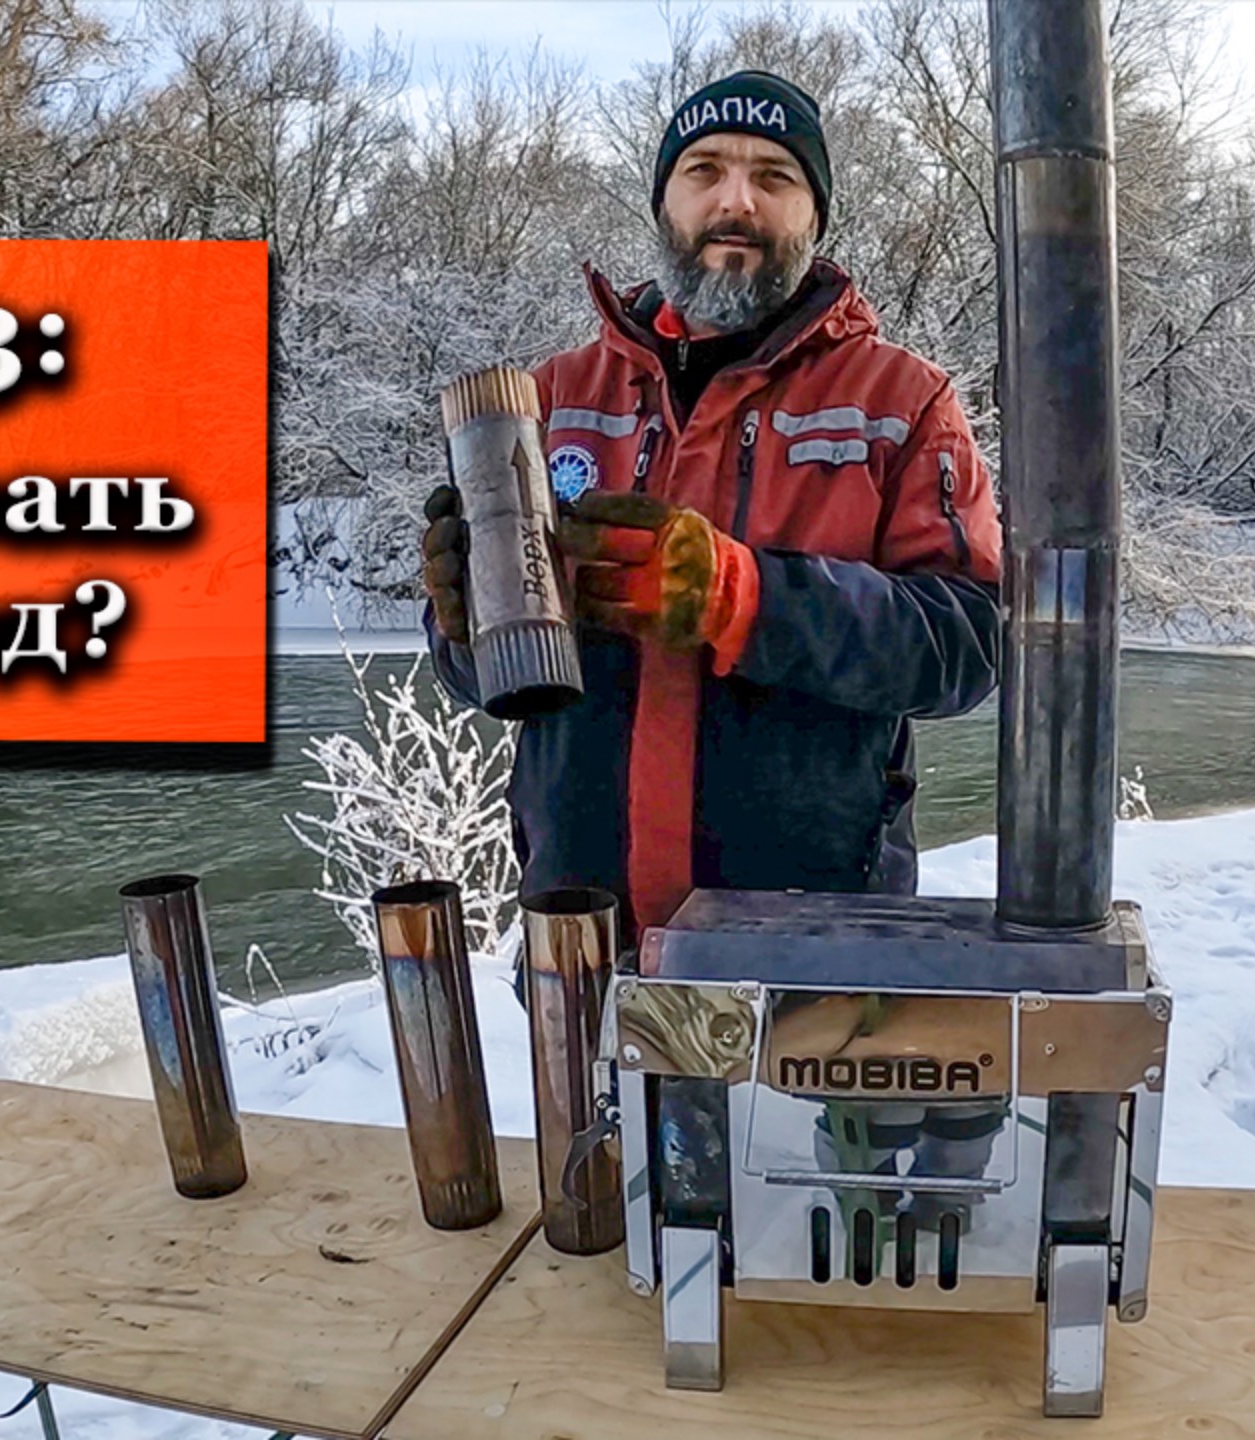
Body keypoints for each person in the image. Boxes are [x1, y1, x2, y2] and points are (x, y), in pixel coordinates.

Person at [420, 69, 1003, 939]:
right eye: (704, 171)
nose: (736, 201)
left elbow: (969, 644)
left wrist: (744, 599)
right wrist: (467, 626)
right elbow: (484, 683)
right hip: (582, 927)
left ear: (815, 215)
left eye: (774, 176)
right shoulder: (552, 396)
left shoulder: (902, 401)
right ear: (664, 203)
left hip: (812, 938)